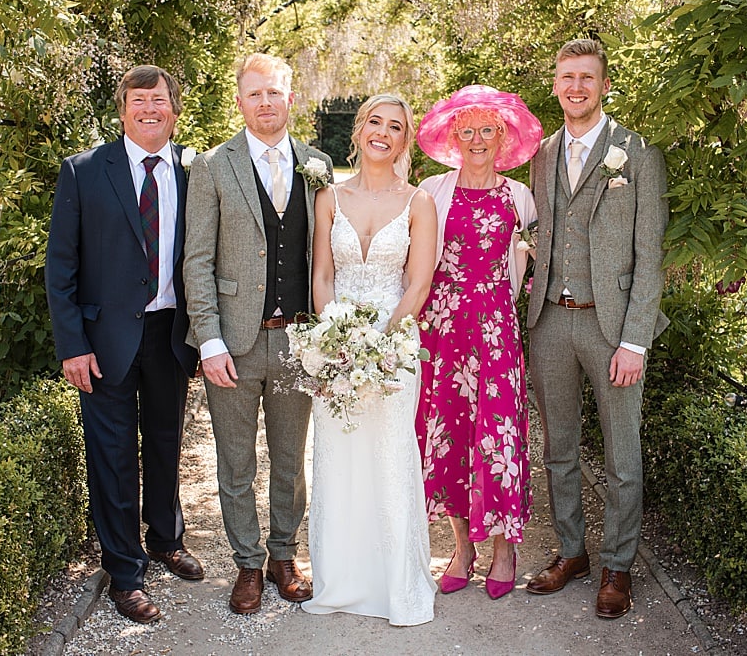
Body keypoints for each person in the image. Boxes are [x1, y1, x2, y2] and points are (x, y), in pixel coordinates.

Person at [46, 65, 203, 624]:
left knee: (165, 444)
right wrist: (72, 345)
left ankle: (166, 538)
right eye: (138, 101)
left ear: (174, 109)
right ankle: (125, 572)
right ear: (122, 110)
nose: (149, 110)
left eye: (158, 101)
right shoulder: (85, 171)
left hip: (170, 334)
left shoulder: (193, 172)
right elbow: (60, 267)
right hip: (104, 341)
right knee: (112, 458)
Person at [183, 53, 333, 615]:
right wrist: (210, 339)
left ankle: (282, 555)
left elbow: (327, 256)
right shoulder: (213, 166)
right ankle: (247, 563)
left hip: (297, 340)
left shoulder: (317, 165)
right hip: (234, 343)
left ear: (291, 98)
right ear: (240, 101)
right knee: (236, 460)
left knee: (292, 458)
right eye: (254, 94)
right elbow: (197, 259)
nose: (265, 103)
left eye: (274, 93)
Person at [523, 38, 669, 619]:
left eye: (586, 77)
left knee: (620, 451)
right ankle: (573, 551)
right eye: (566, 77)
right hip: (550, 321)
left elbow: (650, 254)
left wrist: (635, 340)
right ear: (555, 84)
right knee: (558, 445)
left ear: (604, 85)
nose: (576, 86)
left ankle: (617, 564)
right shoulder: (541, 153)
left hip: (613, 330)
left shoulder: (636, 153)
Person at [300, 93, 438, 626]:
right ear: (358, 132)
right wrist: (334, 342)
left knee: (388, 458)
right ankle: (340, 581)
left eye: (395, 127)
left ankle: (394, 585)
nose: (383, 132)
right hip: (337, 347)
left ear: (406, 140)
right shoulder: (329, 197)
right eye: (375, 123)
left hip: (395, 345)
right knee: (338, 460)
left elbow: (419, 281)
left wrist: (381, 344)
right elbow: (322, 276)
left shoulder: (418, 201)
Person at [413, 85, 543, 600]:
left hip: (494, 331)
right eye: (465, 130)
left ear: (503, 136)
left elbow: (534, 264)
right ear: (452, 137)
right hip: (442, 329)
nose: (476, 139)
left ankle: (505, 549)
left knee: (499, 433)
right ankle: (463, 547)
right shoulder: (433, 190)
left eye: (486, 129)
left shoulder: (520, 197)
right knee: (447, 434)